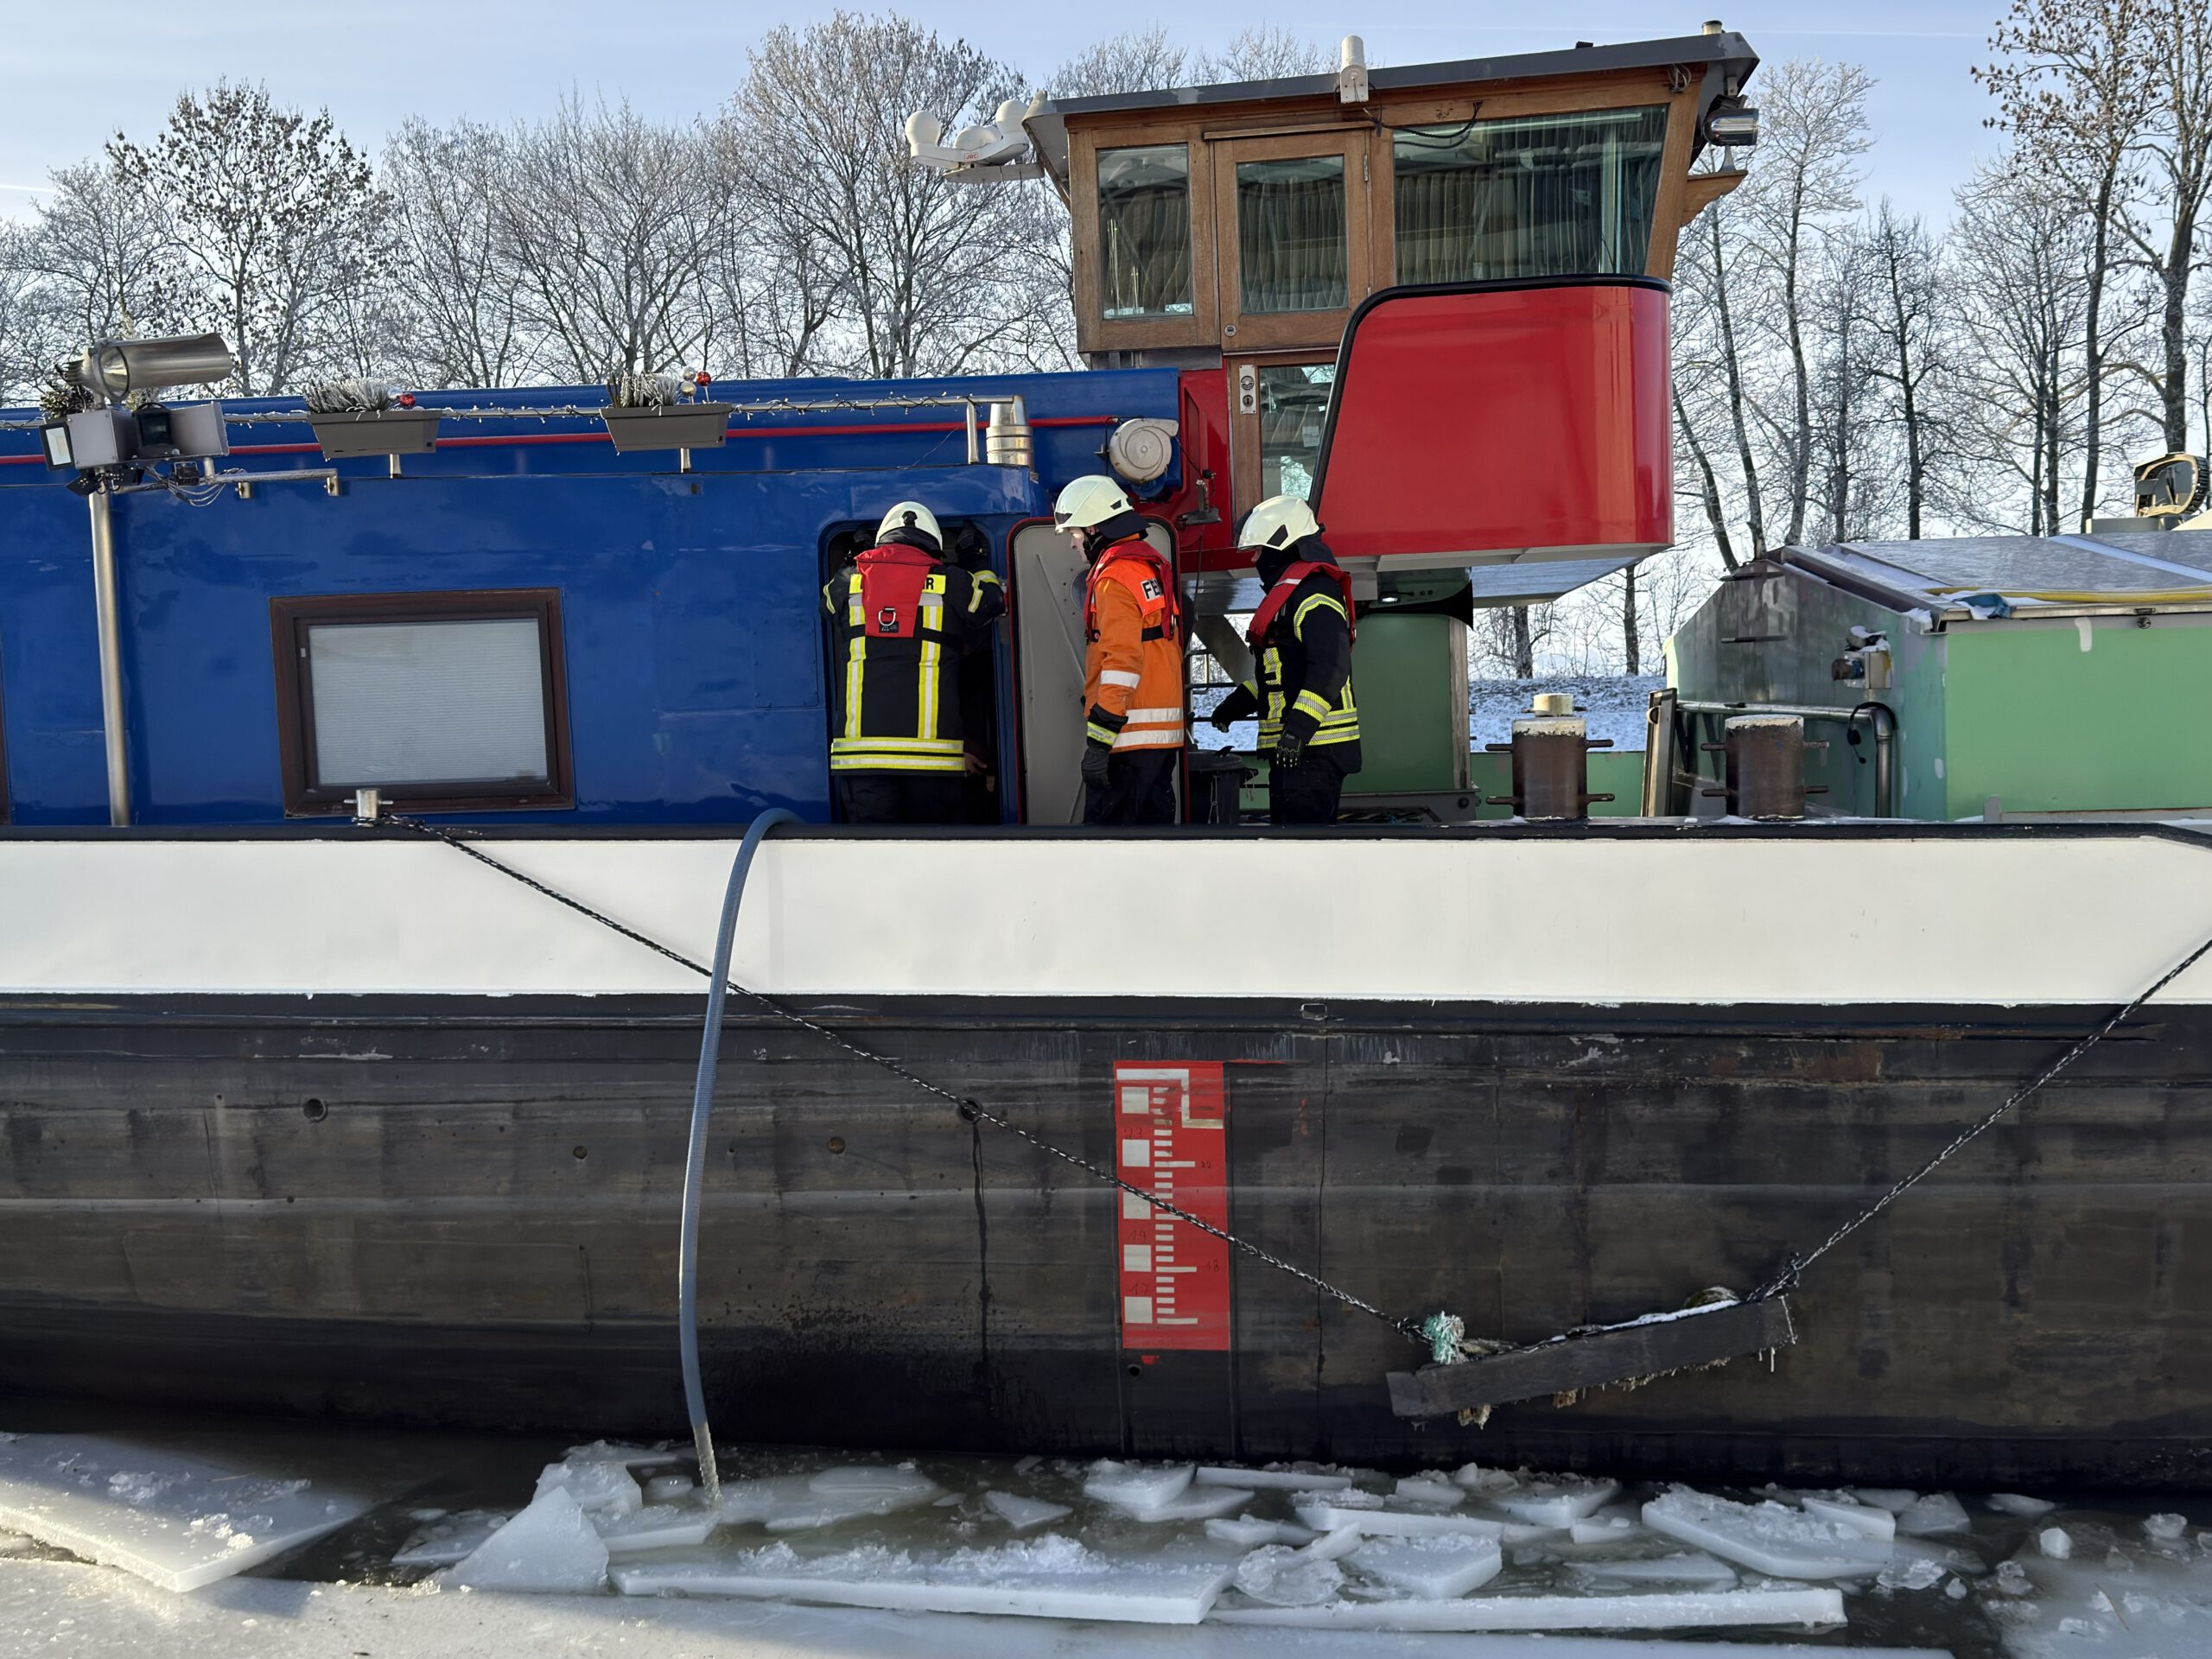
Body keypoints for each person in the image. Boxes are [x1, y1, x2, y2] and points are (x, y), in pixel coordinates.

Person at [823, 500, 1003, 823]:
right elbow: (991, 602)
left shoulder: (848, 582)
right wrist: (976, 561)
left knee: (872, 856)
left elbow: (828, 605)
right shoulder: (954, 582)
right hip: (931, 760)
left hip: (862, 759)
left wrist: (858, 557)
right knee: (929, 856)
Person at [1209, 493, 1360, 823]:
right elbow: (1280, 675)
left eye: (1259, 551)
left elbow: (1330, 667)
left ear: (1283, 545)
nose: (1254, 560)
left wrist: (1297, 731)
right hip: (1299, 752)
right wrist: (1234, 706)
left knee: (1304, 855)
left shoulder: (1315, 594)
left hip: (1315, 751)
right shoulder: (1293, 597)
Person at [1052, 475, 1185, 824]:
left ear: (1094, 528)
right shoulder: (1146, 567)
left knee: (1109, 848)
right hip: (1158, 739)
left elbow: (1122, 662)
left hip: (1128, 740)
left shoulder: (1114, 578)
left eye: (1075, 534)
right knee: (1151, 844)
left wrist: (1099, 741)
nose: (1073, 545)